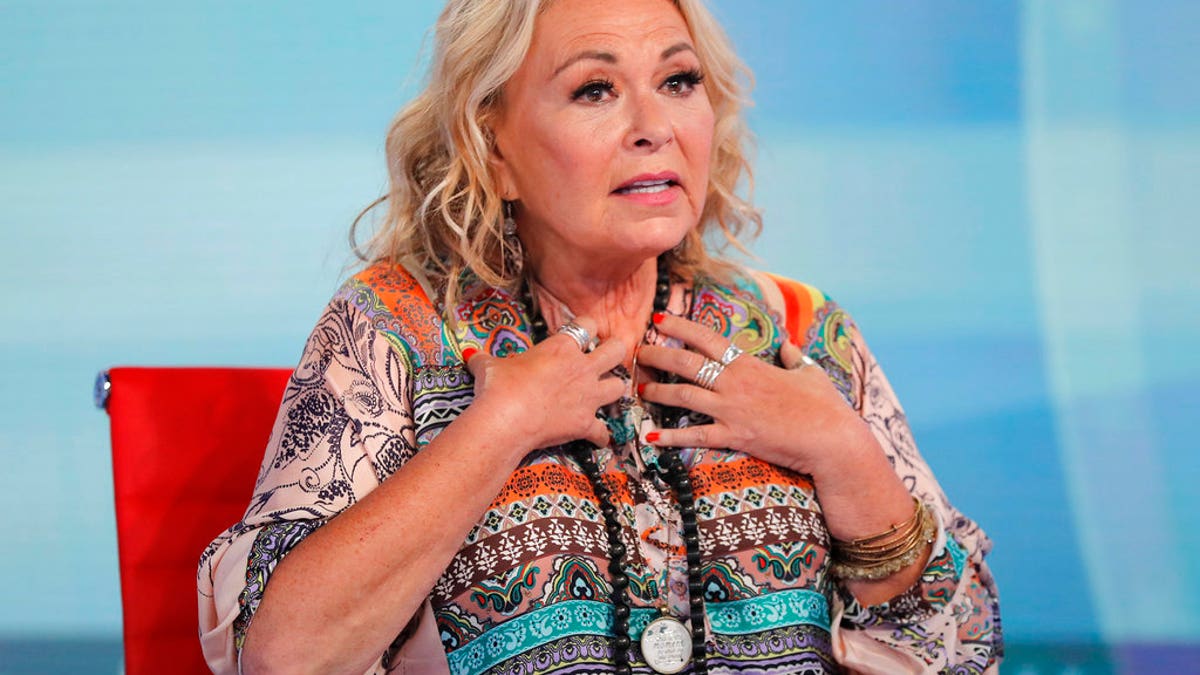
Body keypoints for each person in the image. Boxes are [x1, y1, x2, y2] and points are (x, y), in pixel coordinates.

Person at [198, 0, 1002, 673]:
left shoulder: (798, 329)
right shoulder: (396, 331)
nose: (654, 126)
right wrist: (497, 428)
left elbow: (971, 648)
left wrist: (845, 454)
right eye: (595, 90)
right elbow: (281, 656)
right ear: (494, 149)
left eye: (679, 81)